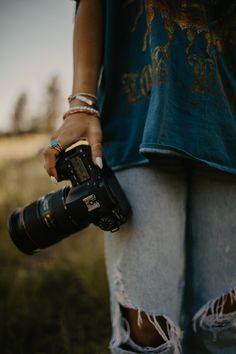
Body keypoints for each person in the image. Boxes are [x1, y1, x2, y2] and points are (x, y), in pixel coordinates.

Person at [43, 1, 236, 353]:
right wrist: (81, 103)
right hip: (136, 124)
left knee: (224, 328)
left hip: (229, 136)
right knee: (147, 334)